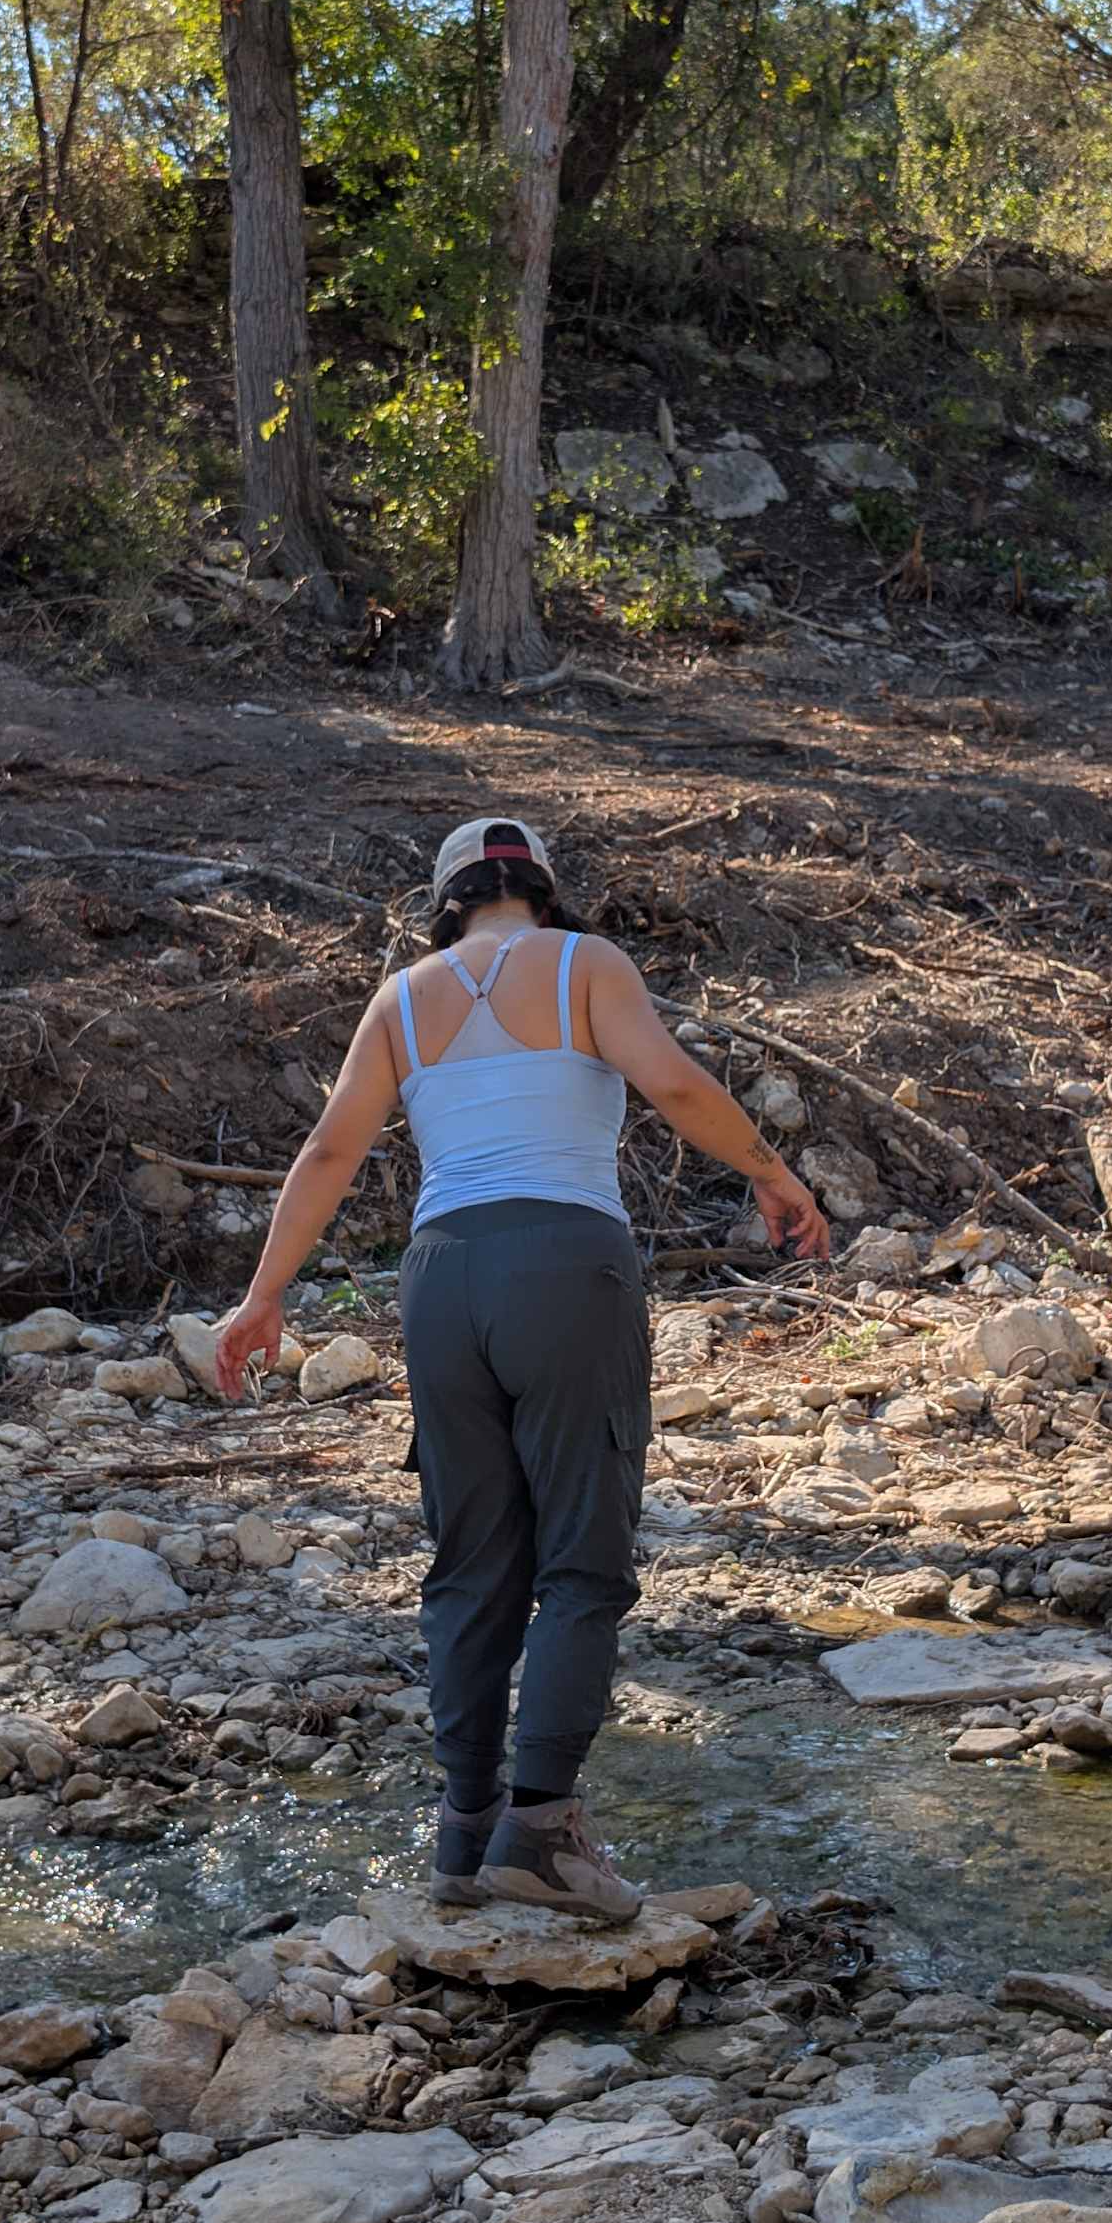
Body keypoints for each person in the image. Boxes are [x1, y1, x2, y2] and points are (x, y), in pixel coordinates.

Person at [208, 812, 829, 1918]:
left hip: (441, 1277)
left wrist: (262, 1300)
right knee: (583, 1558)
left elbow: (329, 1150)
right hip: (564, 1262)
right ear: (541, 887)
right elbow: (676, 1086)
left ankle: (462, 1837)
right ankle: (540, 1834)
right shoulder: (587, 962)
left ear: (446, 897)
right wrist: (774, 1175)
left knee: (471, 1560)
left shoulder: (402, 996)